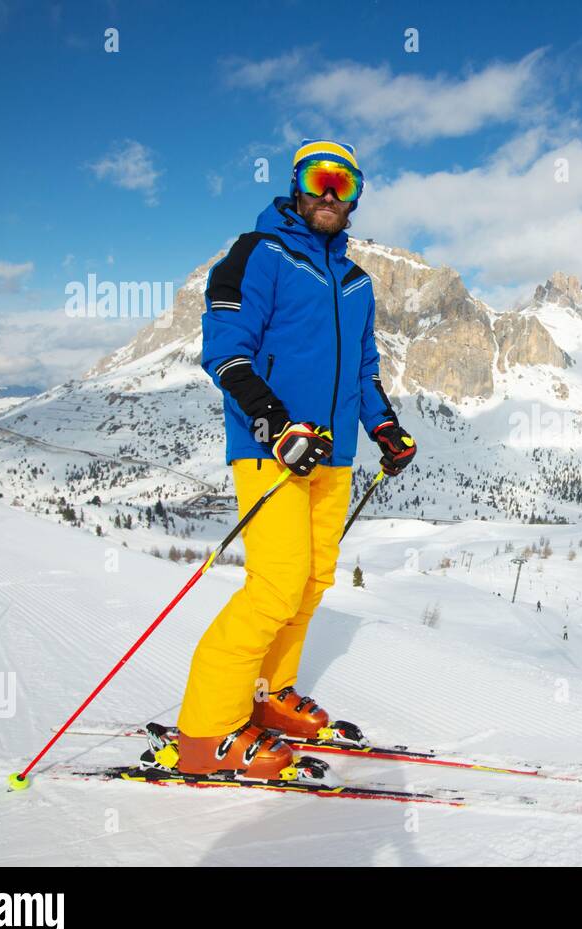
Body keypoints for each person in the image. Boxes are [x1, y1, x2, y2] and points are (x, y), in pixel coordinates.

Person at [175, 140, 416, 779]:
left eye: (345, 183)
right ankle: (206, 730)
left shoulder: (357, 282)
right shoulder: (258, 254)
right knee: (274, 586)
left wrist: (385, 428)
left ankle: (268, 692)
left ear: (357, 194)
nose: (331, 195)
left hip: (332, 457)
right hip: (271, 450)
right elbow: (226, 353)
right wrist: (276, 424)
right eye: (320, 179)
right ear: (297, 185)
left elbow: (364, 369)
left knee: (310, 585)